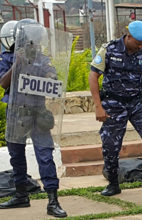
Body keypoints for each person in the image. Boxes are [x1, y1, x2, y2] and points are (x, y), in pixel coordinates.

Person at [89, 20, 142, 200]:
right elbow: (93, 76)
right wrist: (98, 106)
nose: (140, 46)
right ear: (128, 36)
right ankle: (113, 183)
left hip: (137, 103)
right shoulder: (109, 49)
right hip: (113, 103)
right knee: (111, 145)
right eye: (137, 42)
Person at [0, 19, 67, 218]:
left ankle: (53, 201)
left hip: (38, 112)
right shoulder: (6, 57)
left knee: (45, 155)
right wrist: (17, 64)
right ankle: (21, 195)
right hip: (16, 113)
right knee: (16, 156)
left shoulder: (40, 58)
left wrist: (51, 76)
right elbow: (3, 83)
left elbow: (50, 74)